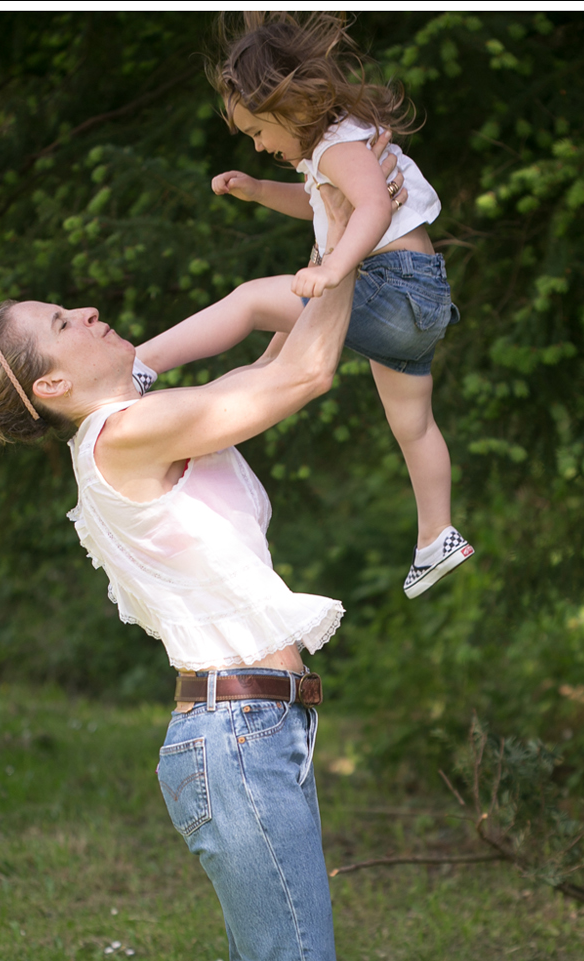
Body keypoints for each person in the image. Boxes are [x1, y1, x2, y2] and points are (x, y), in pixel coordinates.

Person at [0, 147, 405, 961]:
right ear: (52, 386)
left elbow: (266, 316)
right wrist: (360, 230)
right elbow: (297, 378)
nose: (89, 308)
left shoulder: (140, 411)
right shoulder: (118, 440)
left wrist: (334, 232)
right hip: (235, 743)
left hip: (252, 739)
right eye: (64, 319)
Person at [196, 11, 473, 597]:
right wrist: (257, 188)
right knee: (414, 427)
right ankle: (436, 536)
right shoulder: (331, 149)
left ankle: (143, 363)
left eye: (257, 132)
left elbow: (372, 207)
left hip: (390, 282)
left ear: (289, 107)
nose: (260, 144)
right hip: (415, 302)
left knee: (252, 304)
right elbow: (318, 205)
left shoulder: (337, 145)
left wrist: (334, 269)